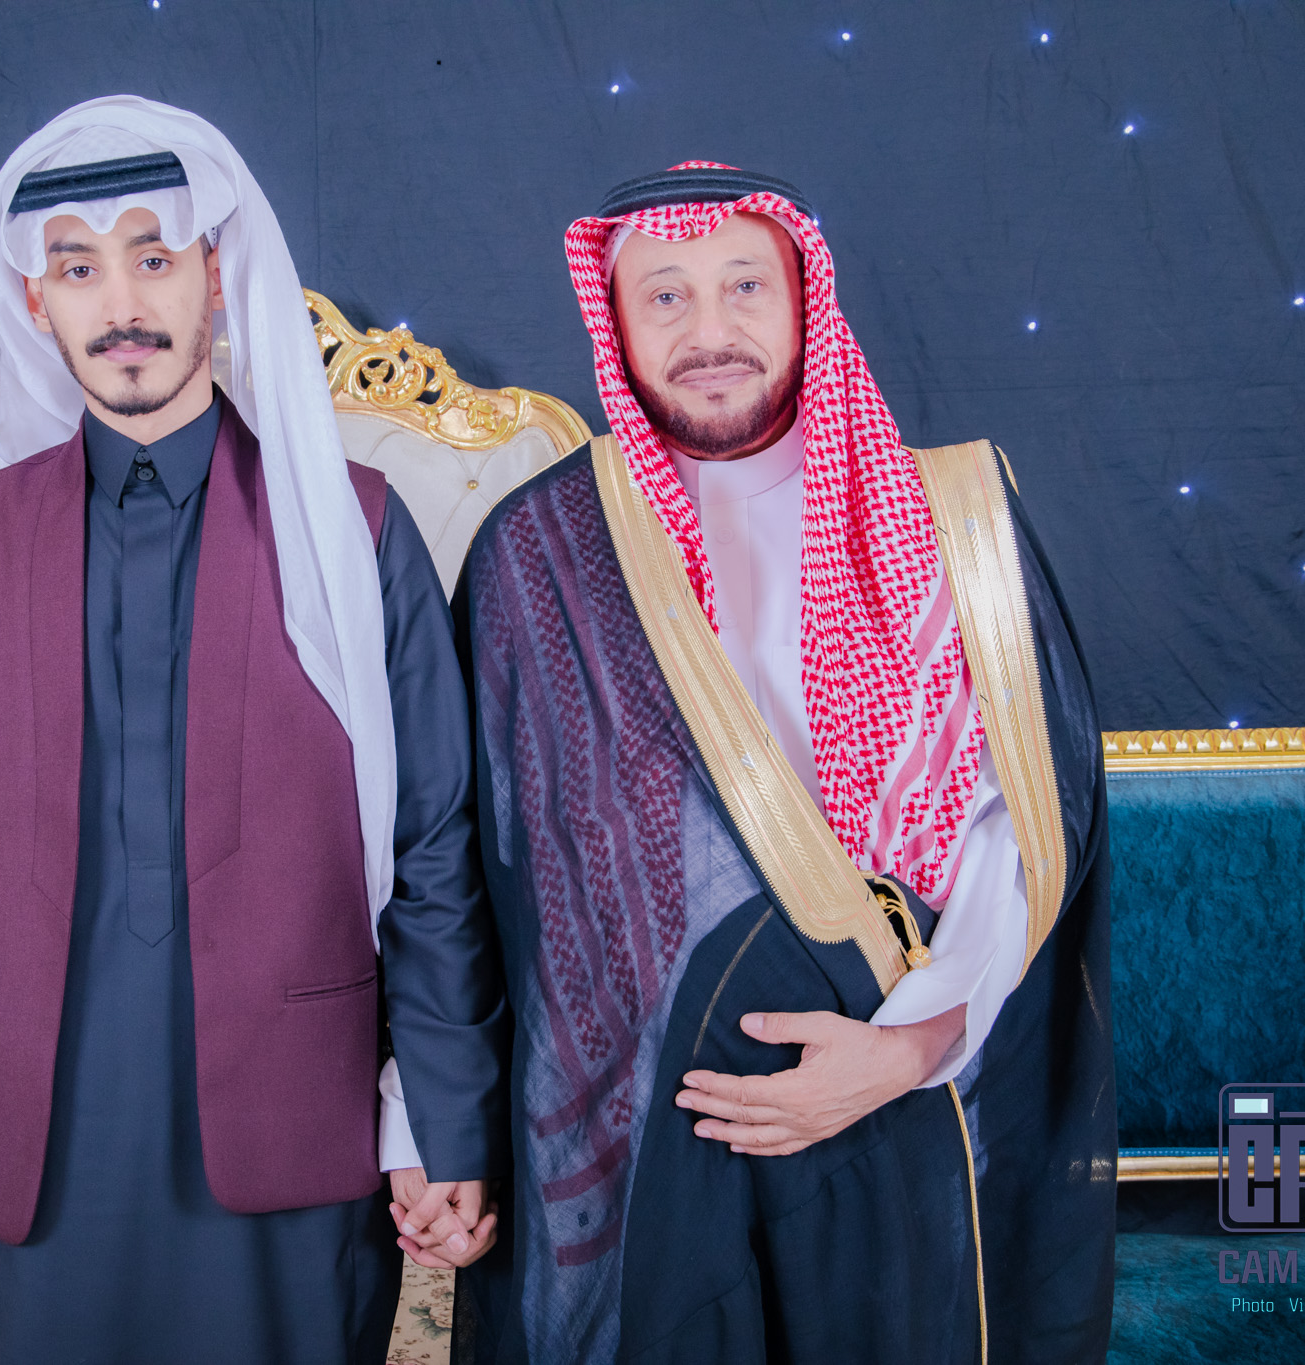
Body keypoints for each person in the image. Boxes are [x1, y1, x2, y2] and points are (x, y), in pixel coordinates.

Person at [0, 96, 504, 1362]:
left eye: (153, 257)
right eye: (78, 269)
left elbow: (434, 847)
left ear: (216, 274)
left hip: (289, 1138)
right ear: (34, 302)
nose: (122, 305)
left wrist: (439, 1121)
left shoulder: (357, 528)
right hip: (29, 1150)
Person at [452, 161, 1113, 1363]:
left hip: (904, 1104)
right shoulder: (535, 553)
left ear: (804, 297)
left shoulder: (954, 518)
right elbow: (482, 879)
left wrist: (906, 1050)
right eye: (664, 295)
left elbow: (1019, 830)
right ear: (613, 322)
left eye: (744, 286)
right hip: (652, 1136)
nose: (708, 331)